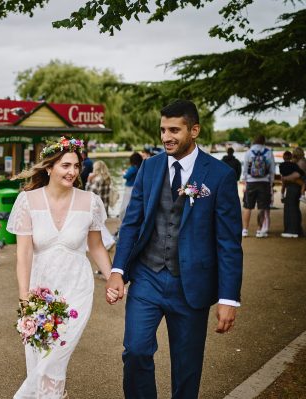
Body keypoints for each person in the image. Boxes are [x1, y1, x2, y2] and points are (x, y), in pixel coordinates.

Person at [106, 100, 243, 399]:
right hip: (147, 278)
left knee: (187, 366)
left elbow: (229, 243)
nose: (166, 136)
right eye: (162, 130)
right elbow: (131, 223)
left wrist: (228, 297)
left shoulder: (219, 176)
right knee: (136, 351)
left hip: (191, 285)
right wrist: (118, 271)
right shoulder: (149, 167)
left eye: (174, 130)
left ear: (194, 130)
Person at [7, 136, 116, 398]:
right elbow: (23, 255)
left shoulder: (90, 202)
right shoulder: (28, 201)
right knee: (39, 357)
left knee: (56, 356)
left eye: (76, 166)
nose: (73, 172)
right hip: (39, 292)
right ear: (49, 168)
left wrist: (113, 278)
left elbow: (97, 247)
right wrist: (25, 300)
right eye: (66, 166)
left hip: (77, 289)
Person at [240, 135, 275, 238]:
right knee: (262, 207)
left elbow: (245, 169)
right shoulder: (268, 152)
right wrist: (271, 183)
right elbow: (272, 169)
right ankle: (259, 231)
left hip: (251, 182)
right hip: (264, 182)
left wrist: (244, 182)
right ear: (264, 141)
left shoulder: (249, 152)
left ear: (254, 141)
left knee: (247, 207)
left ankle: (245, 230)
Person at [279, 151, 304, 238]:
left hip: (293, 188)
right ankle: (296, 229)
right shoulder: (296, 164)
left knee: (291, 208)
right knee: (294, 208)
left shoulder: (284, 165)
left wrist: (285, 178)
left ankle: (291, 230)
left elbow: (296, 175)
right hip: (296, 187)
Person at [118, 152, 143, 221]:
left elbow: (126, 176)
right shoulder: (140, 167)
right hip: (136, 187)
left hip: (129, 188)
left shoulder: (133, 168)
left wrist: (124, 172)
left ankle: (124, 219)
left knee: (125, 205)